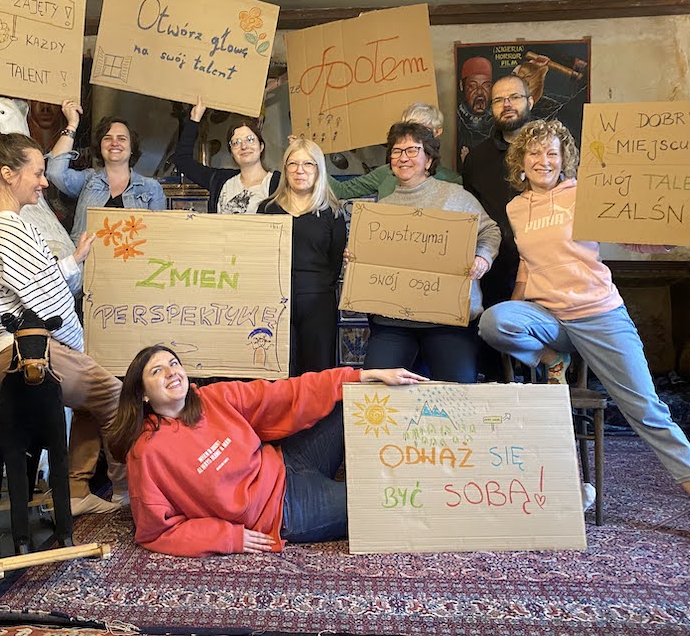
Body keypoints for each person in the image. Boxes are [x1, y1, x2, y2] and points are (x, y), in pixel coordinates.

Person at [478, 119, 690, 557]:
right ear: (521, 162)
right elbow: (528, 265)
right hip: (549, 318)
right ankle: (552, 359)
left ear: (563, 159)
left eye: (552, 153)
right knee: (494, 321)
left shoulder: (585, 194)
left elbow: (639, 239)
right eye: (534, 153)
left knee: (648, 411)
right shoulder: (515, 208)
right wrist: (516, 314)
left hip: (599, 315)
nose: (544, 161)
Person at [106, 344, 427, 557]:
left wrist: (362, 375)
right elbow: (156, 532)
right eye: (157, 371)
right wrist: (228, 537)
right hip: (283, 512)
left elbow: (281, 393)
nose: (171, 372)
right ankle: (437, 489)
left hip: (289, 462)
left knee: (353, 397)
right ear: (143, 394)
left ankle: (419, 456)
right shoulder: (147, 452)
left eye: (173, 363)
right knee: (385, 502)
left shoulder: (211, 397)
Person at [0, 128, 125, 516]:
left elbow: (34, 281)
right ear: (8, 174)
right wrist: (81, 351)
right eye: (37, 173)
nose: (44, 181)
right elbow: (47, 303)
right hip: (22, 358)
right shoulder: (13, 228)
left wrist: (73, 260)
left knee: (89, 394)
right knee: (116, 393)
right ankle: (126, 493)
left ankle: (75, 490)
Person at [360, 122, 500, 383]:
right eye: (396, 151)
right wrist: (359, 258)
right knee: (374, 387)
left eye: (412, 150)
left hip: (448, 321)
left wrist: (483, 257)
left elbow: (490, 231)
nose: (403, 157)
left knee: (459, 387)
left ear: (429, 160)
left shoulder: (455, 197)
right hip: (394, 323)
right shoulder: (381, 210)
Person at [258, 139, 346, 375]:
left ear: (319, 170)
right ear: (285, 169)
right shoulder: (266, 209)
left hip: (318, 301)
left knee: (317, 374)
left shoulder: (333, 213)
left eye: (308, 164)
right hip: (274, 302)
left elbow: (335, 263)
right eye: (293, 164)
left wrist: (313, 289)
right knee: (278, 373)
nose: (300, 170)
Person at [462, 74, 535, 309]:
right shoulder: (476, 159)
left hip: (545, 270)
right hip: (493, 271)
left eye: (515, 97)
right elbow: (471, 218)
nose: (507, 105)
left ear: (530, 101)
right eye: (499, 100)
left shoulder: (552, 154)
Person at [46, 101, 165, 243]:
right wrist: (72, 124)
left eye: (122, 139)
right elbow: (55, 172)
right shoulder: (88, 180)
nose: (114, 143)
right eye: (107, 138)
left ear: (132, 147)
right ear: (100, 147)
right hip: (86, 256)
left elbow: (158, 237)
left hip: (132, 256)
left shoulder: (151, 188)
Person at [326, 103, 461, 201]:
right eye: (408, 129)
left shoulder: (451, 182)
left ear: (437, 132)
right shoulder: (386, 173)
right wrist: (315, 161)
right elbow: (341, 191)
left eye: (423, 131)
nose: (414, 137)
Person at [174, 96, 280, 213]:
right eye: (236, 142)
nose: (244, 146)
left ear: (261, 146)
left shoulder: (278, 183)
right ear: (231, 152)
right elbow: (182, 160)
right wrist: (195, 118)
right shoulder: (220, 180)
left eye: (250, 139)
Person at [456, 56, 495, 167]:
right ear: (462, 85)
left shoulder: (498, 120)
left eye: (486, 86)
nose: (480, 92)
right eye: (473, 86)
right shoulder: (458, 120)